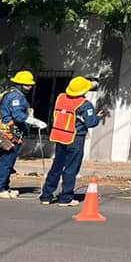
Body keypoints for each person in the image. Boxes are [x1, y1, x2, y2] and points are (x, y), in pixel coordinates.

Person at [38, 76, 102, 206]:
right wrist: (98, 117)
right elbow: (91, 122)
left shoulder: (61, 98)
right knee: (71, 168)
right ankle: (65, 198)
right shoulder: (85, 104)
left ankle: (46, 196)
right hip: (75, 138)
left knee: (56, 167)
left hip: (60, 136)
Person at [0, 70, 47, 200]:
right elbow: (18, 115)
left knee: (6, 161)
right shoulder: (17, 97)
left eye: (30, 84)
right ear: (20, 84)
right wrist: (34, 121)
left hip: (5, 130)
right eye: (27, 85)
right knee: (7, 161)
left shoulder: (10, 93)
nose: (30, 87)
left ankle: (4, 187)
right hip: (10, 132)